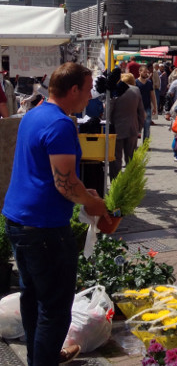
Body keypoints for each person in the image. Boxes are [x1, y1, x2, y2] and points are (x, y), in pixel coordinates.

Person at [2, 63, 110, 366]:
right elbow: (64, 184)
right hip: (44, 227)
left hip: (19, 220)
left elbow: (51, 175)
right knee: (54, 308)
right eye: (88, 89)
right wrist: (92, 204)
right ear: (73, 90)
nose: (90, 96)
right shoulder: (60, 124)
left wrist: (82, 193)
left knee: (33, 298)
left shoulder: (34, 113)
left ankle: (40, 356)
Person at [110, 73, 145, 180]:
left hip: (116, 129)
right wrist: (139, 127)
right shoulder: (136, 91)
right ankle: (131, 181)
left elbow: (109, 110)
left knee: (116, 158)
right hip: (132, 128)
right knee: (131, 157)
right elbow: (141, 112)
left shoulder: (115, 91)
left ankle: (116, 182)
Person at [135, 65, 157, 141]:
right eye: (144, 72)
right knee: (137, 127)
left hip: (147, 107)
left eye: (146, 72)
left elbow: (152, 95)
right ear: (139, 72)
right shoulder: (135, 82)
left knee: (147, 127)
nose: (146, 73)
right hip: (137, 108)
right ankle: (134, 144)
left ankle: (145, 145)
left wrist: (154, 107)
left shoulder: (149, 83)